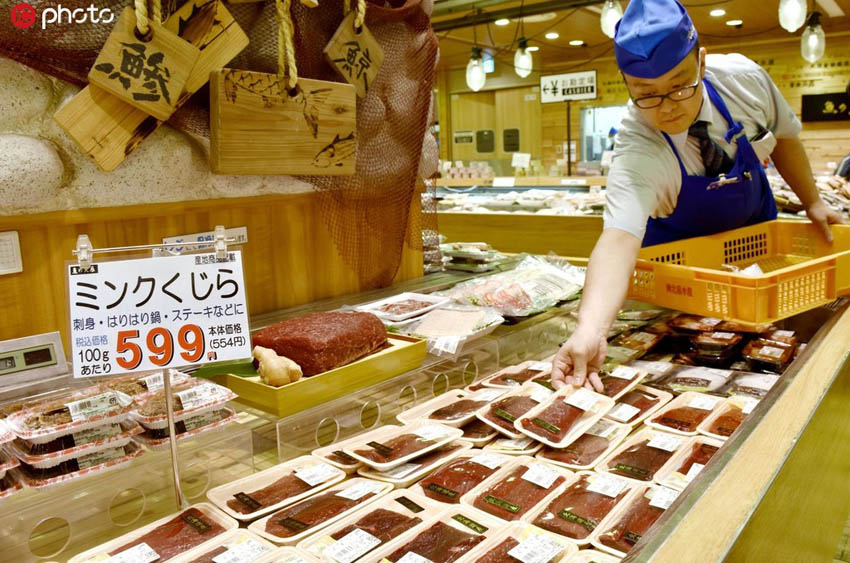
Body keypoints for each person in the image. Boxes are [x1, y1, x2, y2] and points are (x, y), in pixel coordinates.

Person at [552, 0, 844, 392]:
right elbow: (618, 238)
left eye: (679, 86)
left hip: (756, 260)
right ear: (627, 84)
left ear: (702, 63)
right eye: (647, 94)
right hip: (680, 282)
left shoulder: (744, 79)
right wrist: (591, 329)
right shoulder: (639, 148)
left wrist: (812, 201)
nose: (667, 108)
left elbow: (785, 137)